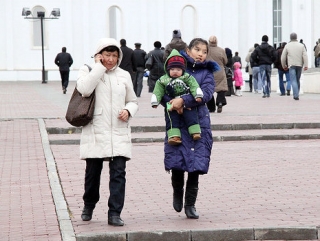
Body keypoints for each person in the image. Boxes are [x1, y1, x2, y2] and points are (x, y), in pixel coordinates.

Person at [76, 38, 138, 226]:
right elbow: (84, 90)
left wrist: (128, 110)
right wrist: (98, 67)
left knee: (119, 173)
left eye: (114, 55)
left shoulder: (124, 75)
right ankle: (89, 205)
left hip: (118, 130)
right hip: (96, 129)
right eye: (107, 55)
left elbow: (133, 100)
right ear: (99, 55)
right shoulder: (87, 70)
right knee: (93, 173)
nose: (110, 59)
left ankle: (114, 212)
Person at [162, 38, 219, 219]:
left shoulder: (207, 73)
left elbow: (207, 94)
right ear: (188, 50)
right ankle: (177, 191)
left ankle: (190, 204)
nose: (200, 54)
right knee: (178, 159)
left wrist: (183, 100)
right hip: (177, 122)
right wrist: (172, 102)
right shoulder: (177, 67)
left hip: (198, 122)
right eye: (197, 49)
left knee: (195, 163)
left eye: (204, 51)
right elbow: (163, 88)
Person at [151, 49, 203, 145]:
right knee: (171, 118)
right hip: (171, 103)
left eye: (178, 70)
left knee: (191, 114)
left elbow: (194, 85)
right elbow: (158, 90)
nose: (175, 72)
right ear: (168, 69)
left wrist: (197, 95)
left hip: (186, 101)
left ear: (183, 70)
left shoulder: (187, 77)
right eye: (172, 69)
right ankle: (174, 136)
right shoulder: (163, 80)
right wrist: (155, 100)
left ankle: (195, 131)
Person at [281, 32, 308, 100]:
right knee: (297, 79)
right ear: (296, 37)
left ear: (290, 38)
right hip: (299, 65)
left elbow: (283, 57)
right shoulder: (301, 45)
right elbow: (305, 55)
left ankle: (295, 95)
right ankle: (297, 93)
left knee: (293, 80)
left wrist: (284, 65)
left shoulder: (287, 45)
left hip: (291, 65)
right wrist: (306, 65)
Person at [206, 35, 228, 113]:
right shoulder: (221, 50)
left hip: (209, 71)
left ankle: (211, 107)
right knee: (221, 88)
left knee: (208, 89)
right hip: (219, 71)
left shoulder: (206, 50)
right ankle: (220, 102)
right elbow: (225, 61)